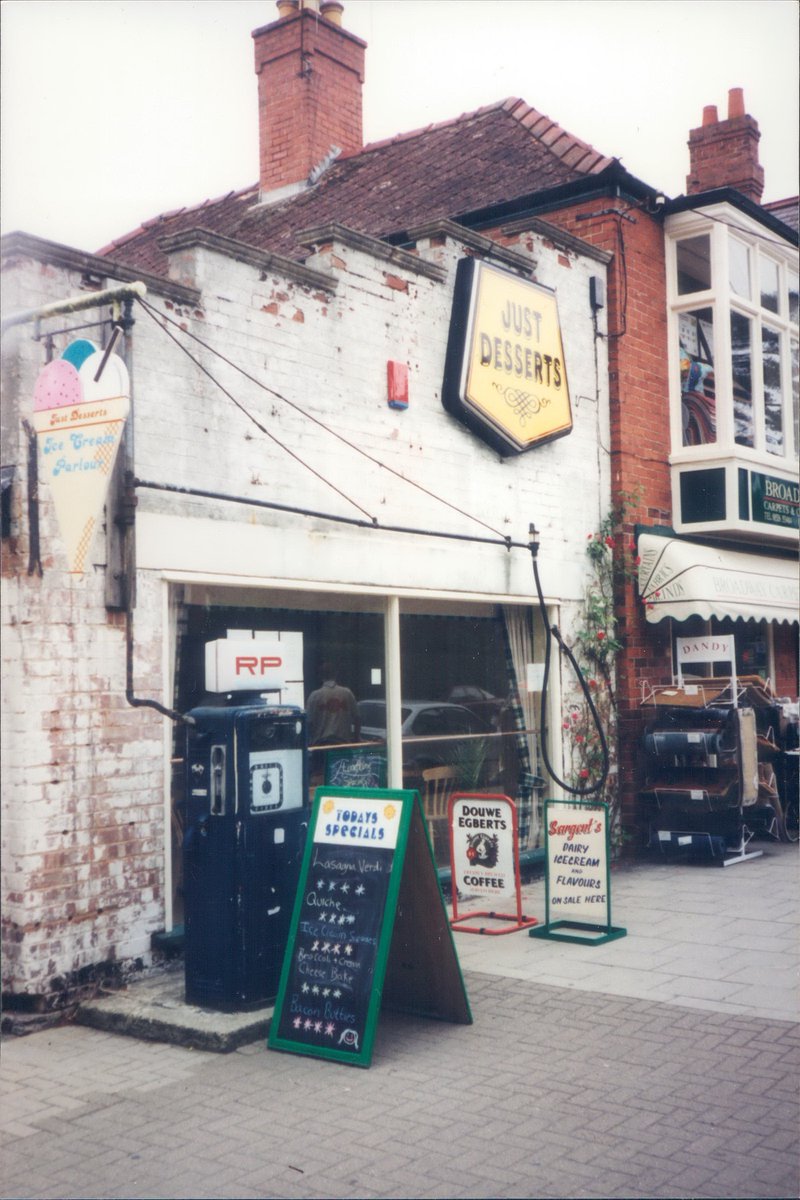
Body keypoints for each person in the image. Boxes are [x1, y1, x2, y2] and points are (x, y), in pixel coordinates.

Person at [306, 663, 360, 747]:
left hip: (320, 746)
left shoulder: (314, 696)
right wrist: (357, 738)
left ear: (320, 676)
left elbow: (308, 722)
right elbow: (357, 718)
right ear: (336, 674)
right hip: (343, 745)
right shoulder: (347, 693)